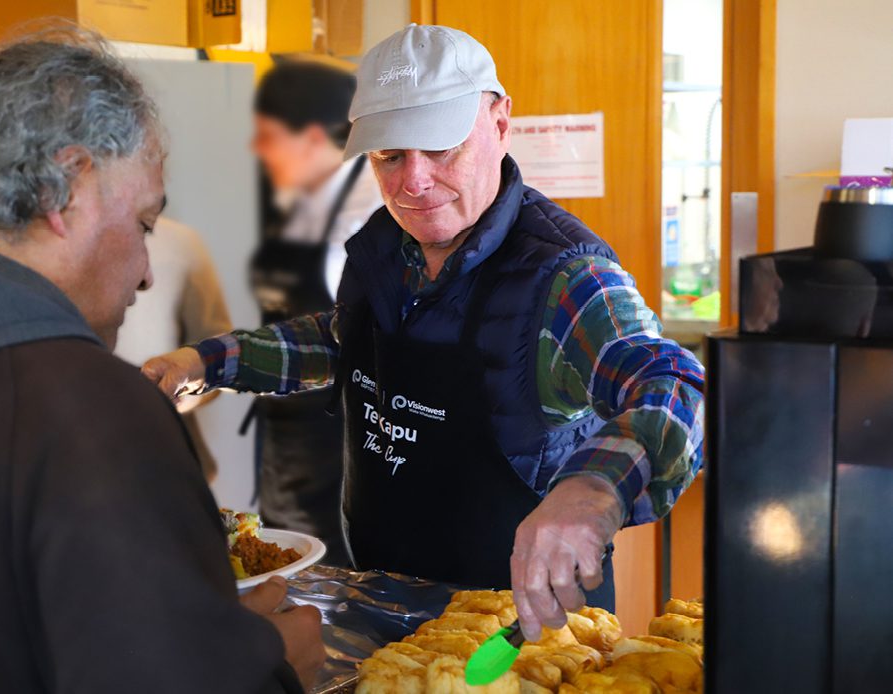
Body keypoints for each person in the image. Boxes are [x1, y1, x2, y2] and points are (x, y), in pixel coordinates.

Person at [144, 24, 706, 642]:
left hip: (519, 635)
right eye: (389, 155)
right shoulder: (388, 249)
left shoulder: (568, 278)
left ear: (499, 122)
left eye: (440, 149)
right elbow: (344, 341)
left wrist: (594, 490)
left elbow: (674, 383)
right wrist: (203, 363)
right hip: (379, 599)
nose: (413, 181)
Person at [0, 29, 323, 693]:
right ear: (63, 190)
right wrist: (268, 670)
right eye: (145, 225)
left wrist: (196, 631)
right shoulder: (81, 405)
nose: (146, 274)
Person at [246, 60, 383, 565]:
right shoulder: (302, 204)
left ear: (310, 138)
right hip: (288, 453)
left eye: (267, 136)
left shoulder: (365, 216)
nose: (255, 150)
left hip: (341, 466)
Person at [115, 216, 231, 482]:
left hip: (169, 456)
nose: (146, 281)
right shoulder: (50, 240)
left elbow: (217, 349)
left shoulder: (182, 243)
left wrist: (184, 393)